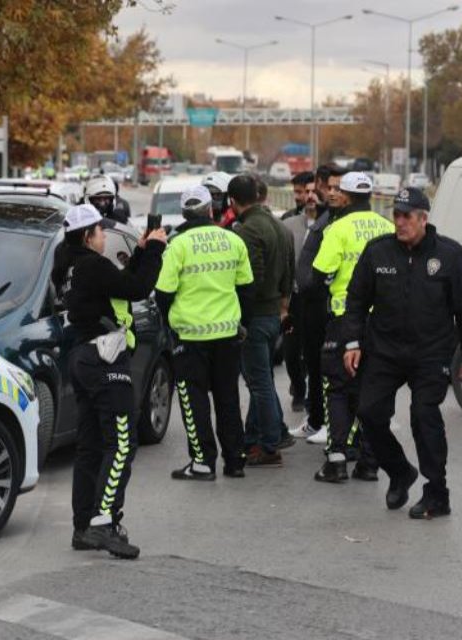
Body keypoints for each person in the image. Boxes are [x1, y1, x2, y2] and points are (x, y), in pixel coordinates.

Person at [343, 187, 462, 519]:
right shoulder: (378, 251)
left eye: (407, 215)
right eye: (396, 214)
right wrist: (352, 342)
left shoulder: (449, 255)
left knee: (424, 417)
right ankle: (399, 471)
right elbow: (356, 300)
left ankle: (437, 493)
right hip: (385, 350)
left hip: (430, 353)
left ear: (424, 218)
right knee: (368, 412)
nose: (400, 221)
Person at [55, 203, 166, 559]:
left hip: (81, 357)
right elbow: (137, 288)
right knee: (121, 443)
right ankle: (105, 524)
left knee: (90, 445)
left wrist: (142, 251)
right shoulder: (91, 265)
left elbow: (117, 285)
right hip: (104, 357)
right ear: (88, 236)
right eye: (100, 231)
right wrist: (156, 252)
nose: (104, 236)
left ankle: (84, 526)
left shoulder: (69, 266)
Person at [156, 185, 254, 481]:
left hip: (190, 337)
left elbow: (163, 293)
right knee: (228, 399)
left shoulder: (178, 246)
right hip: (227, 335)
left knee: (193, 401)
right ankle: (235, 460)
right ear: (211, 210)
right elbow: (246, 288)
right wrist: (239, 322)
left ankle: (202, 462)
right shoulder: (233, 240)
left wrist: (171, 324)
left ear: (184, 213)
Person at [310, 172, 396, 483]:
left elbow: (319, 273)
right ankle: (370, 462)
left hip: (345, 319)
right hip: (383, 322)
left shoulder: (337, 228)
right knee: (372, 391)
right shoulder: (388, 228)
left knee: (337, 387)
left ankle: (336, 460)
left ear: (345, 197)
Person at [230, 174, 295, 465]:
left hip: (255, 317)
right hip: (273, 314)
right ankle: (254, 440)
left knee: (259, 384)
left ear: (233, 202)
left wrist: (240, 318)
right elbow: (289, 271)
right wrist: (284, 304)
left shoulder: (248, 231)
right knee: (263, 379)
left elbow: (250, 281)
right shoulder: (278, 226)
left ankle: (272, 440)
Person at [292, 164, 344, 443]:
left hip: (326, 304)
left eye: (339, 188)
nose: (335, 192)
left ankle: (328, 423)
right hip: (308, 305)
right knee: (311, 363)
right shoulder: (321, 217)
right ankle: (314, 419)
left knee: (326, 367)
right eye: (332, 187)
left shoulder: (335, 219)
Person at [280, 172, 317, 414]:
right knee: (291, 351)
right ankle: (297, 384)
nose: (305, 197)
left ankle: (312, 394)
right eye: (300, 193)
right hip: (293, 298)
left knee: (313, 350)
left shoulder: (328, 222)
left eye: (309, 191)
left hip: (317, 298)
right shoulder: (287, 223)